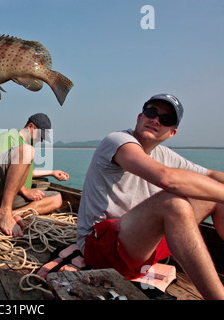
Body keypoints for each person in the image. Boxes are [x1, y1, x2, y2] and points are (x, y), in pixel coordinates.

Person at [77, 94, 224, 299]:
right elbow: (166, 179)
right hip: (102, 247)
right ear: (139, 116)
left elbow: (210, 175)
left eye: (165, 119)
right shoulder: (118, 141)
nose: (155, 120)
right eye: (151, 112)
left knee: (213, 194)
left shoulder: (164, 154)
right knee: (173, 203)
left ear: (171, 132)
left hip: (143, 246)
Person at [0, 113, 69, 237]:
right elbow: (2, 169)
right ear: (31, 126)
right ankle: (4, 213)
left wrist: (51, 172)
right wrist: (25, 191)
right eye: (41, 136)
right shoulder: (8, 137)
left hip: (4, 196)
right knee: (27, 151)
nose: (42, 140)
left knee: (57, 198)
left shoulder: (28, 148)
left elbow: (23, 173)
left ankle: (14, 213)